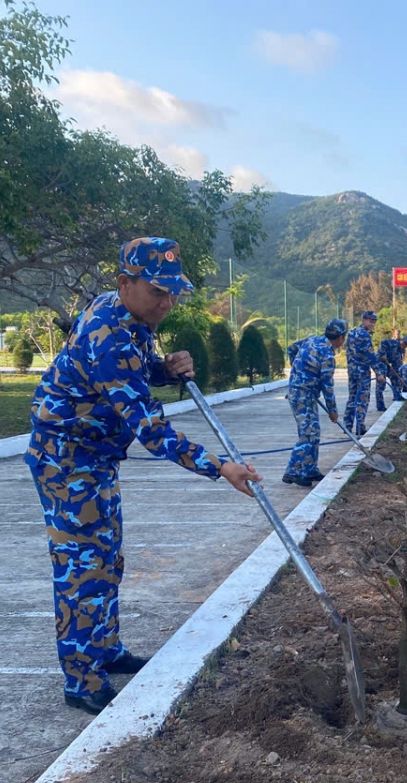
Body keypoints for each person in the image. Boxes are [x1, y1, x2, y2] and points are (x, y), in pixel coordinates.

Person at [25, 237, 261, 715]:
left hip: (96, 456)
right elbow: (151, 431)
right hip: (67, 457)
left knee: (107, 558)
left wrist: (165, 369)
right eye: (158, 292)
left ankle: (106, 650)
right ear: (125, 283)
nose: (167, 303)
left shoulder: (128, 315)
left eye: (174, 293)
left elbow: (136, 371)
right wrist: (219, 466)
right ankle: (81, 678)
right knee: (80, 568)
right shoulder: (105, 335)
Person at [283, 318, 346, 487]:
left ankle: (310, 468)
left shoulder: (311, 339)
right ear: (340, 338)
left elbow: (292, 349)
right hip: (303, 394)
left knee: (313, 431)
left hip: (301, 392)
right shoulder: (328, 355)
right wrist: (333, 411)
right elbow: (327, 386)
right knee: (308, 433)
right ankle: (293, 470)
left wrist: (298, 370)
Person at [344, 311, 384, 436]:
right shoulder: (365, 335)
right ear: (364, 320)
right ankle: (360, 426)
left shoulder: (352, 333)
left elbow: (348, 352)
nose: (372, 324)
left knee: (352, 397)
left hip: (351, 370)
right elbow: (370, 356)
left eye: (374, 322)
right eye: (370, 321)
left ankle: (347, 426)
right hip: (362, 372)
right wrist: (378, 373)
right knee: (362, 398)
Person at [376, 333, 407, 406]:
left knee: (396, 379)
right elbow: (383, 342)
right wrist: (383, 354)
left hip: (389, 363)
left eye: (406, 344)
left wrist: (400, 376)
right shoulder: (393, 342)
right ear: (401, 340)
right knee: (381, 383)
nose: (404, 345)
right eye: (404, 343)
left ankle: (397, 396)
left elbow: (398, 364)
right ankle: (380, 405)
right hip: (381, 361)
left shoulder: (401, 351)